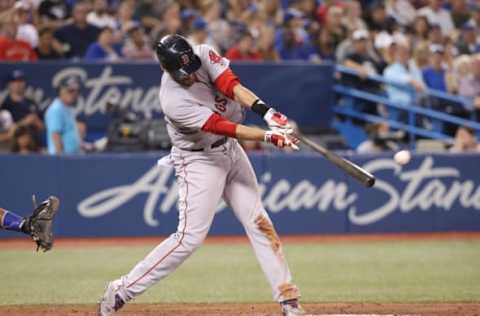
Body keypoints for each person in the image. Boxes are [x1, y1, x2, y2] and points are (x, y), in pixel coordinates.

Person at [98, 34, 304, 316]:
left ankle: (288, 301)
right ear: (165, 69)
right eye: (183, 72)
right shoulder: (172, 99)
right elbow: (223, 126)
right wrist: (268, 137)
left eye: (191, 66)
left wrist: (267, 112)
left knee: (259, 220)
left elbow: (232, 86)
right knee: (188, 238)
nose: (191, 75)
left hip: (230, 151)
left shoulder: (204, 54)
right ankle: (120, 290)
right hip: (199, 160)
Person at [0, 70, 44, 149]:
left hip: (34, 148)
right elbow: (7, 134)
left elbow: (42, 128)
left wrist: (37, 122)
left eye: (20, 81)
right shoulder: (4, 105)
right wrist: (24, 122)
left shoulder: (32, 103)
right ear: (9, 84)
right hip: (12, 150)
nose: (18, 84)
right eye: (15, 81)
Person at [45, 77, 82, 155]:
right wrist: (62, 161)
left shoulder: (68, 108)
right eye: (70, 91)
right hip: (61, 160)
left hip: (71, 158)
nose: (74, 94)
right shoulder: (56, 109)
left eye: (76, 91)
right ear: (61, 91)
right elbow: (56, 135)